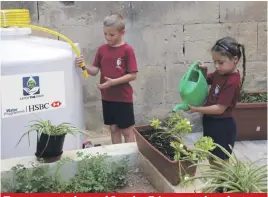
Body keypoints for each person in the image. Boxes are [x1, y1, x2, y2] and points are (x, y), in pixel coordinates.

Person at [75, 13, 138, 144]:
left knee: (127, 131)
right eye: (105, 34)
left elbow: (133, 75)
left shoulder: (127, 50)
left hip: (123, 98)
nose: (108, 37)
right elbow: (94, 71)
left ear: (122, 32)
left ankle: (130, 160)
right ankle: (118, 158)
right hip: (107, 97)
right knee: (113, 128)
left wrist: (113, 82)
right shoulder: (102, 50)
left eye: (111, 35)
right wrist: (83, 65)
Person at [188, 36, 246, 163]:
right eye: (214, 62)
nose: (216, 66)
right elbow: (205, 81)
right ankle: (217, 182)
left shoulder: (232, 81)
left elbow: (220, 109)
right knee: (212, 158)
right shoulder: (220, 73)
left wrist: (197, 109)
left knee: (221, 162)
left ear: (235, 59)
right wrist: (203, 71)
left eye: (220, 62)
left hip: (222, 126)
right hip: (211, 122)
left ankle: (223, 183)